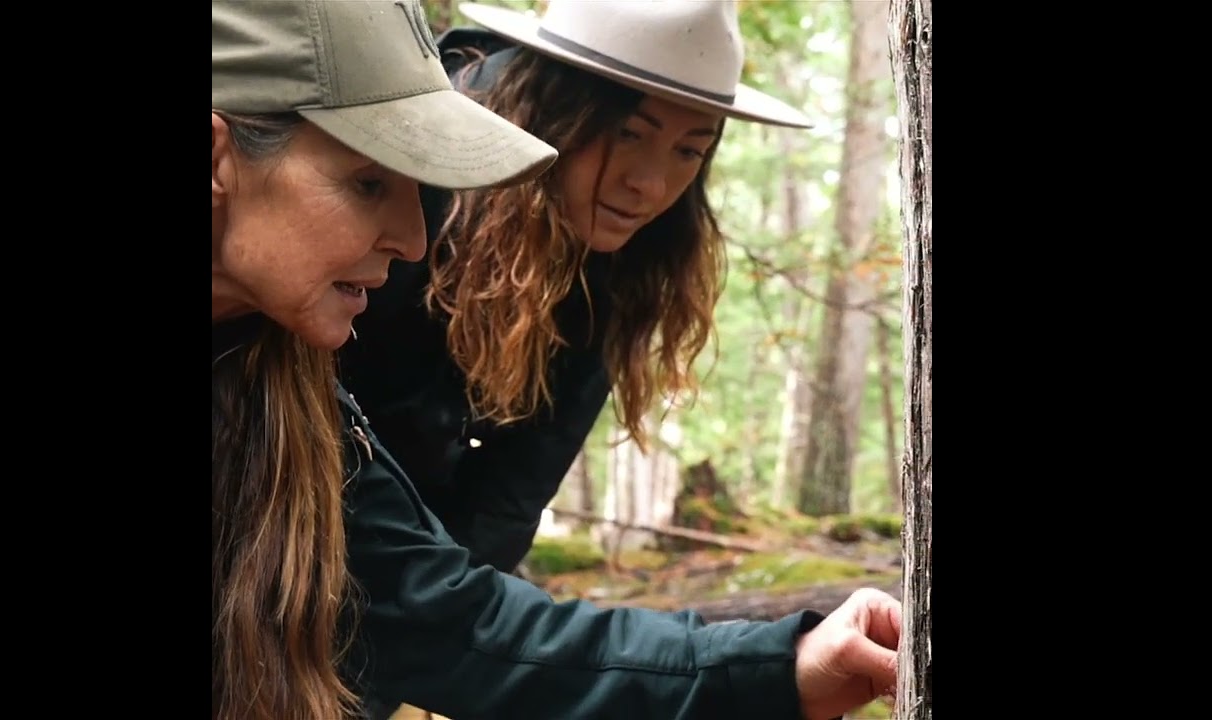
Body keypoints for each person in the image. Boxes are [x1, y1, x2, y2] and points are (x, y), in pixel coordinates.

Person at [213, 2, 902, 720]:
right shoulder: (309, 296)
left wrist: (777, 667)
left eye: (689, 150)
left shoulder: (271, 370)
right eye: (367, 184)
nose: (648, 183)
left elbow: (454, 581)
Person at [340, 0, 817, 578]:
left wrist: (449, 605)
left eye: (689, 150)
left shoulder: (624, 265)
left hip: (410, 550)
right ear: (552, 106)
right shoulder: (406, 170)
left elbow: (509, 499)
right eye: (628, 133)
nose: (650, 184)